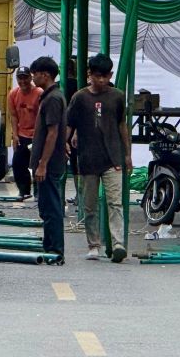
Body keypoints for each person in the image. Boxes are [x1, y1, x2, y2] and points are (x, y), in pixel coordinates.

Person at [66, 53, 132, 263]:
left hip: (113, 158)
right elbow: (70, 123)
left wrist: (128, 154)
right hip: (87, 159)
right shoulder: (79, 97)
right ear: (89, 75)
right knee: (90, 205)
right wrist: (65, 142)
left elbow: (122, 125)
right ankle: (94, 244)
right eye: (97, 76)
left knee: (115, 203)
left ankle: (118, 243)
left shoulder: (118, 96)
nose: (101, 80)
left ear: (110, 75)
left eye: (105, 76)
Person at [29, 56, 67, 259]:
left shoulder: (53, 98)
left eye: (35, 74)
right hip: (49, 161)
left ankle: (55, 250)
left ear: (45, 74)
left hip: (50, 163)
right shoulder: (51, 96)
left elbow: (52, 133)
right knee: (46, 205)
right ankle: (49, 244)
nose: (33, 78)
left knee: (51, 206)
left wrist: (42, 164)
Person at [7, 66, 42, 201]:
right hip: (22, 134)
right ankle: (24, 190)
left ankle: (38, 192)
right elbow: (13, 116)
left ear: (30, 77)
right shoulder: (13, 94)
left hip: (36, 135)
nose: (23, 81)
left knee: (36, 165)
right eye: (20, 78)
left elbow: (41, 115)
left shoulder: (39, 93)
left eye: (25, 78)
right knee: (18, 163)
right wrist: (15, 135)